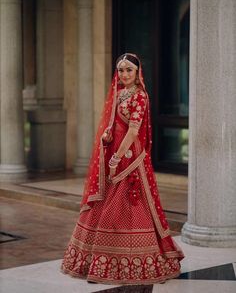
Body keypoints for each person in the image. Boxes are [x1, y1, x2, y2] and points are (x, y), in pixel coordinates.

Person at [61, 53, 184, 285]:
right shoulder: (119, 94)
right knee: (104, 201)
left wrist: (117, 158)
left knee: (123, 204)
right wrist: (108, 136)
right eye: (121, 70)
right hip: (115, 152)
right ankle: (96, 261)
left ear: (138, 72)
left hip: (130, 157)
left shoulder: (140, 96)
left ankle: (132, 261)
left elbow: (133, 131)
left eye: (129, 70)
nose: (124, 74)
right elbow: (115, 124)